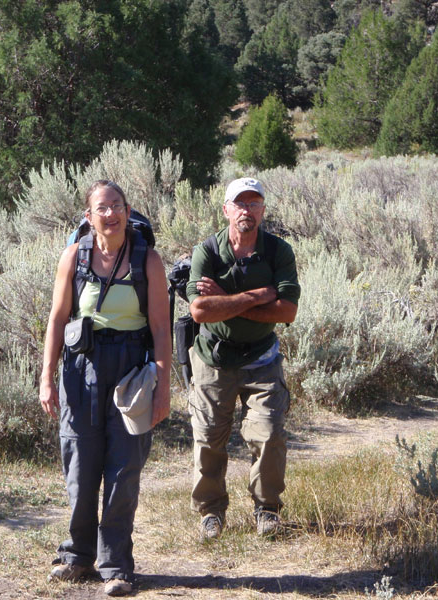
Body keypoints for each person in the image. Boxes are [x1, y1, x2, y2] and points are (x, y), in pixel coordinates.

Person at [40, 180, 171, 596]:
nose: (111, 214)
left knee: (123, 469)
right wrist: (47, 376)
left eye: (117, 206)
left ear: (128, 210)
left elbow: (161, 328)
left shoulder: (147, 260)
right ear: (88, 216)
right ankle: (77, 557)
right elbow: (57, 320)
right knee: (79, 464)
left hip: (131, 371)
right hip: (81, 369)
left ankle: (116, 566)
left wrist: (164, 386)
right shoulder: (72, 258)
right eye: (102, 207)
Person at [185, 177, 300, 540]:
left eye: (253, 204)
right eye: (239, 204)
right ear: (226, 210)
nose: (246, 211)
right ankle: (211, 512)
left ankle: (267, 510)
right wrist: (256, 296)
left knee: (268, 435)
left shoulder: (278, 252)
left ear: (263, 210)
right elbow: (201, 311)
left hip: (262, 358)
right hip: (212, 359)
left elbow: (287, 311)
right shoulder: (208, 251)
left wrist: (228, 299)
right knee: (208, 439)